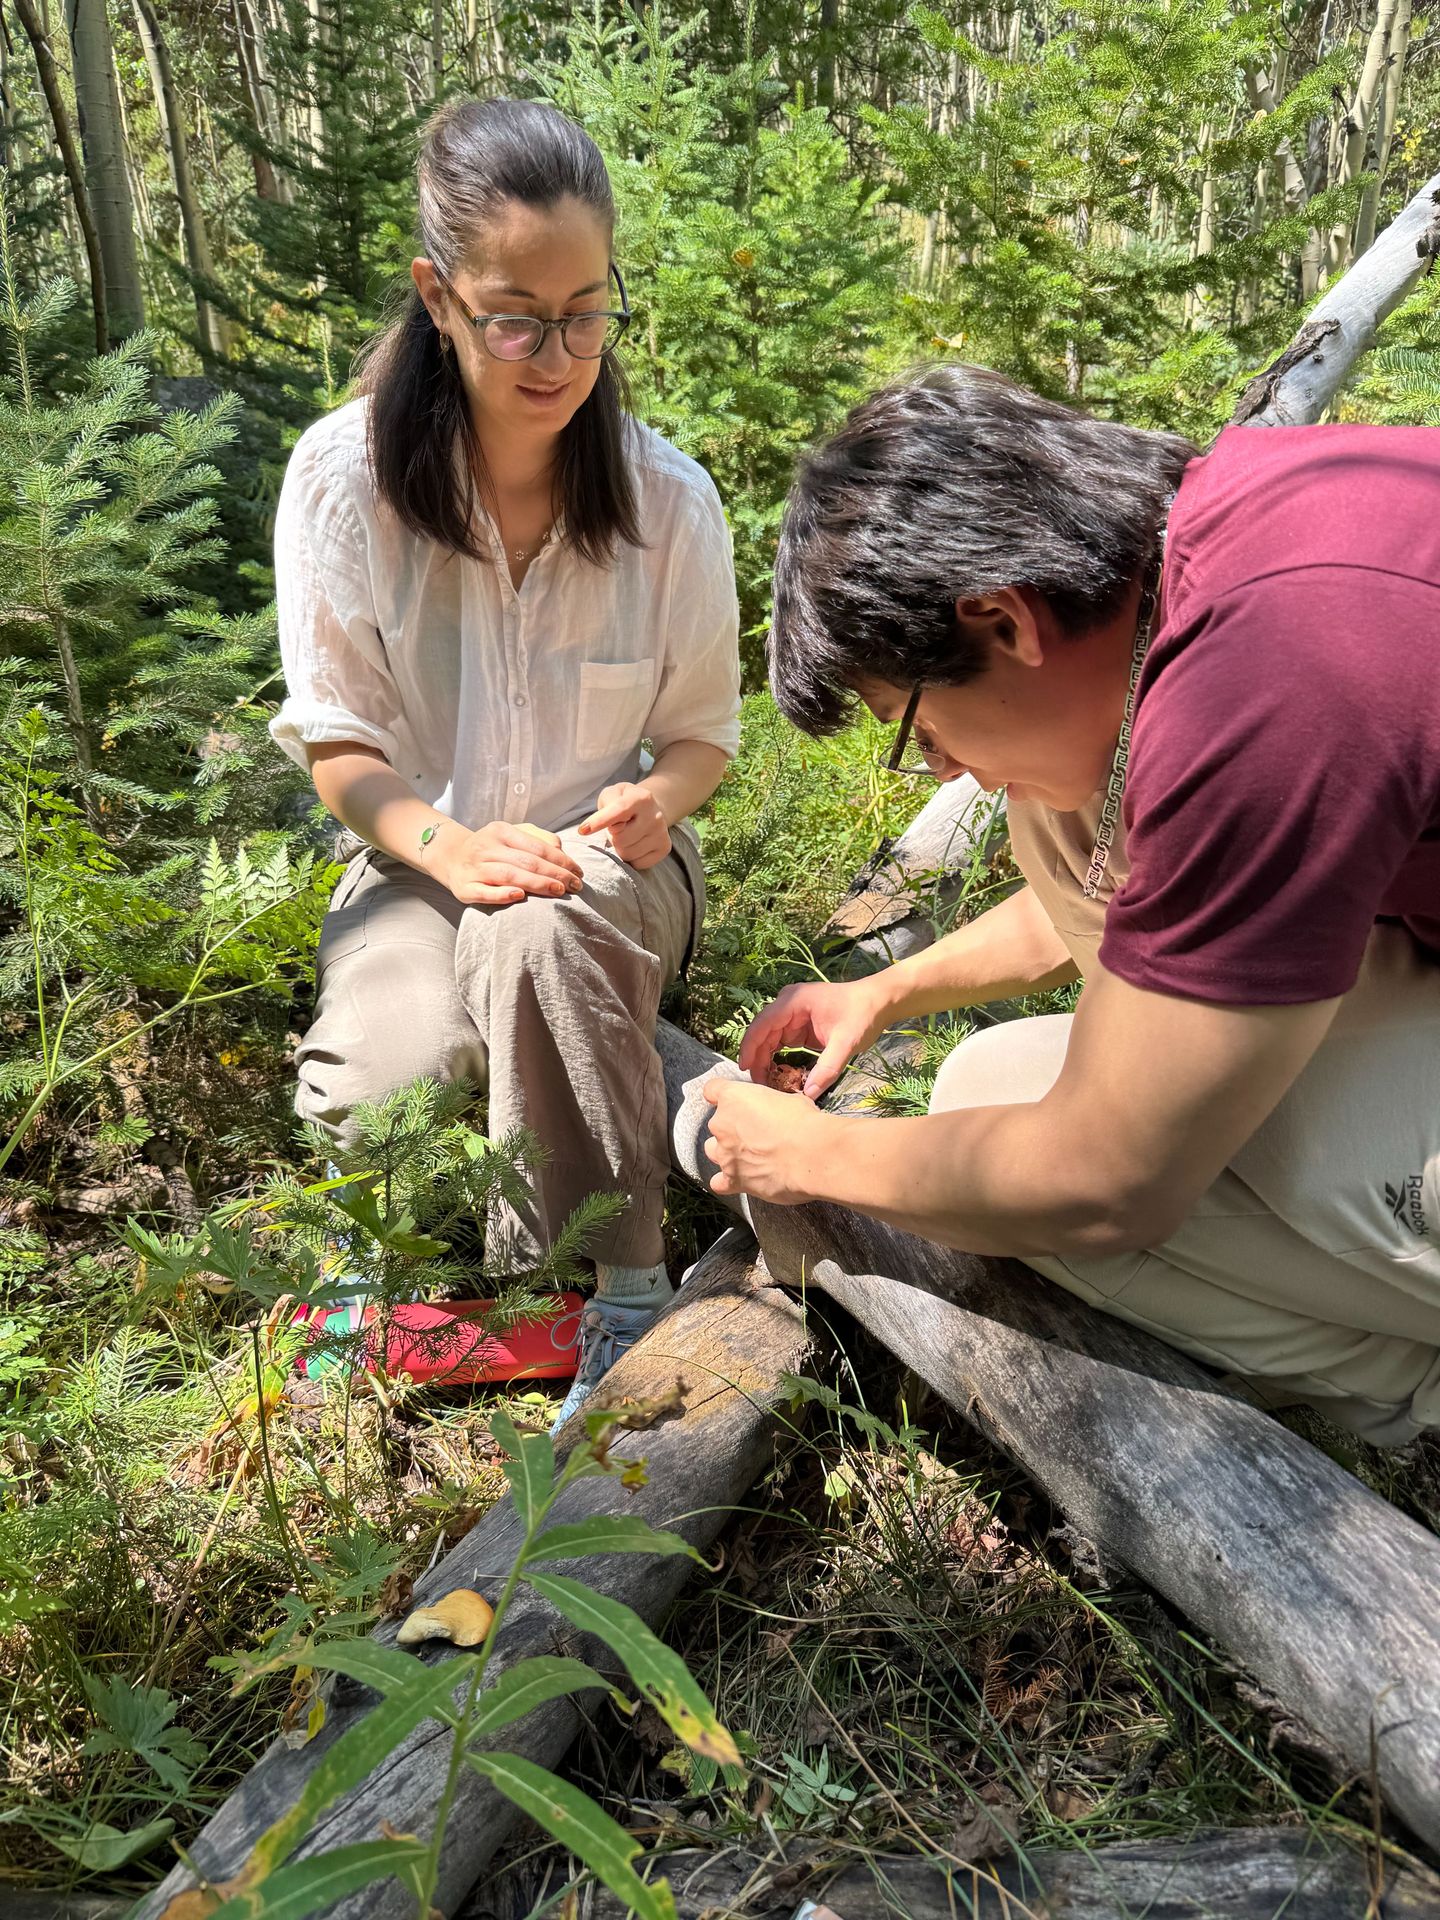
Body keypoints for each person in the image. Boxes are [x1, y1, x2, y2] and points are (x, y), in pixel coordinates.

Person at [703, 364, 1440, 1447]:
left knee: (1097, 1169)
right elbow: (1191, 899)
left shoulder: (1271, 679)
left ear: (1003, 620)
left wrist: (801, 1156)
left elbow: (1108, 1181)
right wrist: (889, 990)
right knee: (993, 1084)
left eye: (918, 728)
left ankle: (1405, 1377)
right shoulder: (1205, 561)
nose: (944, 767)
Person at [271, 98, 741, 1424]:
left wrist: (653, 800)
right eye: (516, 318)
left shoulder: (667, 502)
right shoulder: (343, 480)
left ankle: (627, 1291)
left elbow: (702, 735)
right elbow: (340, 742)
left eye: (587, 314)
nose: (559, 355)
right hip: (415, 861)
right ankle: (365, 1267)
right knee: (383, 1078)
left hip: (606, 870)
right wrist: (451, 848)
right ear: (438, 296)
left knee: (537, 937)